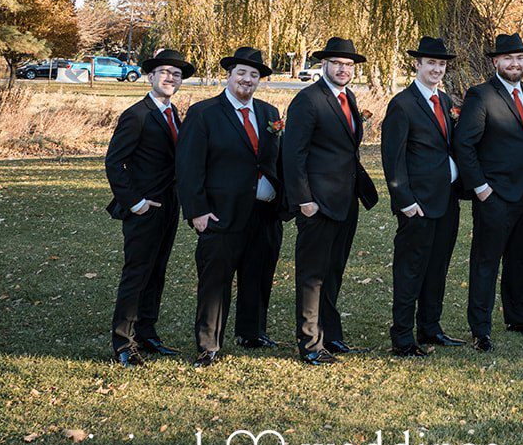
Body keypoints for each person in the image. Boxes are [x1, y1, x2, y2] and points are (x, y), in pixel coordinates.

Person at [177, 46, 286, 367]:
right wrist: (196, 210)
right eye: (241, 73)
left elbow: (275, 160)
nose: (247, 79)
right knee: (216, 280)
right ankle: (209, 343)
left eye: (254, 75)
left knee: (258, 274)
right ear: (229, 75)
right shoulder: (204, 113)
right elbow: (188, 167)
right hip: (220, 212)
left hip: (264, 214)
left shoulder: (269, 113)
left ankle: (252, 331)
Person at [283, 37, 379, 365]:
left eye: (349, 65)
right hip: (317, 203)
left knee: (333, 271)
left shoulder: (348, 97)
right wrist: (303, 201)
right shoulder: (307, 100)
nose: (343, 69)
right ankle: (310, 344)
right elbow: (292, 155)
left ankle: (331, 335)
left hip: (344, 200)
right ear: (324, 64)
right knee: (312, 274)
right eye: (337, 63)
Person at [454, 33, 523, 351]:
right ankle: (480, 329)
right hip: (494, 194)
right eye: (508, 58)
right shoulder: (481, 95)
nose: (514, 63)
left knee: (522, 259)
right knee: (486, 261)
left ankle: (519, 318)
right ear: (496, 62)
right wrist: (480, 188)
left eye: (519, 58)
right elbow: (464, 143)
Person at [103, 48, 195, 365]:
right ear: (152, 75)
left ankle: (147, 333)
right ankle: (124, 343)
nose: (171, 78)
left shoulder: (174, 114)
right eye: (165, 72)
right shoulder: (137, 114)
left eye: (177, 74)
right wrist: (136, 202)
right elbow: (115, 163)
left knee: (157, 273)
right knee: (137, 274)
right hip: (144, 208)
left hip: (169, 205)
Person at [380, 36, 463, 357]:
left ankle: (430, 327)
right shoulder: (402, 104)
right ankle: (402, 336)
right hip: (417, 204)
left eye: (441, 65)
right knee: (410, 269)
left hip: (446, 201)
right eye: (431, 63)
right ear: (418, 64)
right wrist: (405, 200)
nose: (436, 69)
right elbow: (393, 158)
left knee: (437, 267)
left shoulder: (443, 102)